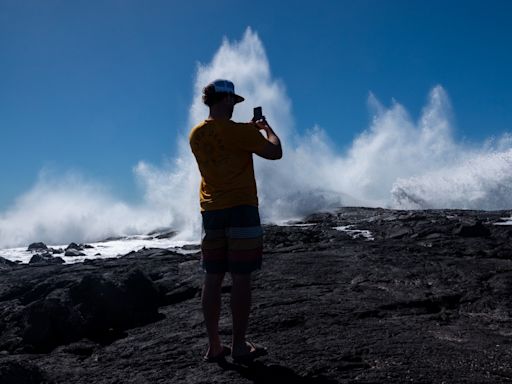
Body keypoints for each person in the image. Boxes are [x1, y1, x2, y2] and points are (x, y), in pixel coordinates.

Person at [189, 79, 282, 364]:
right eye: (233, 101)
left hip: (211, 211)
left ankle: (214, 346)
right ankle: (239, 345)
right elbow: (275, 152)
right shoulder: (240, 132)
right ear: (226, 99)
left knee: (212, 277)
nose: (234, 107)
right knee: (241, 277)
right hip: (241, 208)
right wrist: (266, 129)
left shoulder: (196, 134)